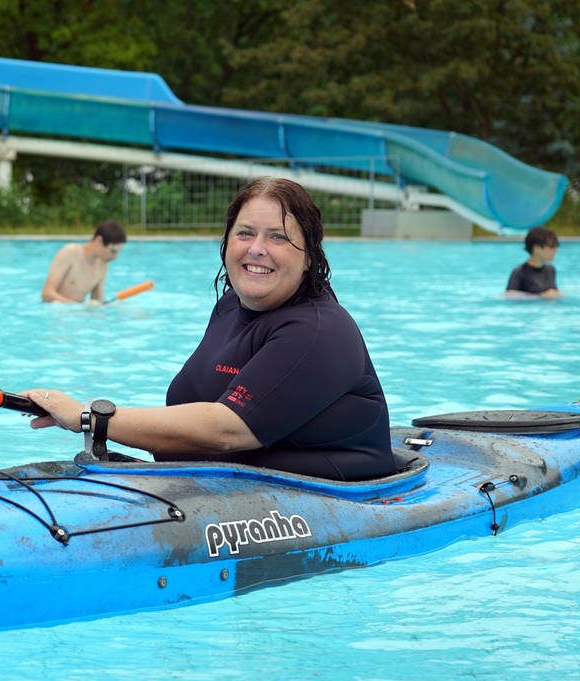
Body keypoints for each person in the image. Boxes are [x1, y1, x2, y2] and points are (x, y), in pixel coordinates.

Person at [25, 177, 395, 481]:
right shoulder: (230, 306)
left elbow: (227, 429)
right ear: (227, 242)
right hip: (215, 483)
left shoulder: (319, 330)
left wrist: (90, 416)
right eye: (245, 233)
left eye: (278, 237)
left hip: (333, 495)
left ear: (309, 255)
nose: (257, 249)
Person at [41, 221, 127, 303]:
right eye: (113, 251)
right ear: (99, 241)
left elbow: (97, 300)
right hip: (57, 312)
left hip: (77, 313)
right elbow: (47, 294)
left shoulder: (103, 264)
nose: (115, 258)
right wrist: (78, 308)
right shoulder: (70, 253)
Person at [505, 226, 562, 299]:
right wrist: (539, 296)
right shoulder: (519, 272)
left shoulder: (550, 270)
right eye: (551, 247)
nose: (555, 250)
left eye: (556, 246)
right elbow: (509, 295)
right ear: (536, 248)